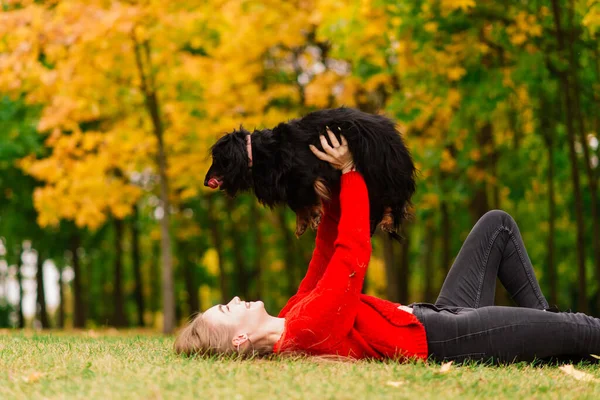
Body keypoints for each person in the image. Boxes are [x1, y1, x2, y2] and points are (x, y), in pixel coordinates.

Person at [175, 129, 600, 363]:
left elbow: (326, 255)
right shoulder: (305, 334)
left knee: (497, 226)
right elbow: (351, 256)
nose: (233, 298)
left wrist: (325, 195)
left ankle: (549, 339)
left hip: (435, 316)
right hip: (451, 338)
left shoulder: (291, 314)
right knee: (583, 328)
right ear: (240, 340)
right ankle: (555, 338)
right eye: (227, 309)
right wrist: (350, 172)